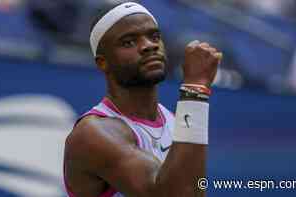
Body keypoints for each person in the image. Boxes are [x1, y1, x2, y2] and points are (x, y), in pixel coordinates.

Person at [64, 1, 222, 197]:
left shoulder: (175, 122)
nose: (149, 46)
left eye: (154, 36)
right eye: (129, 42)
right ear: (103, 63)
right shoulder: (92, 134)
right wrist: (195, 88)